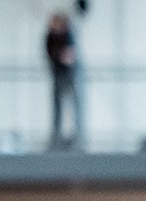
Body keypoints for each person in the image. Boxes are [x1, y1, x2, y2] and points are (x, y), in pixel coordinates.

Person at [45, 12, 82, 150]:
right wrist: (61, 56)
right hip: (57, 74)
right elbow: (52, 55)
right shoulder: (50, 37)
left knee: (73, 104)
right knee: (57, 106)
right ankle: (56, 137)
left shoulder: (68, 36)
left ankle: (77, 136)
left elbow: (70, 56)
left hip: (69, 75)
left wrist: (63, 56)